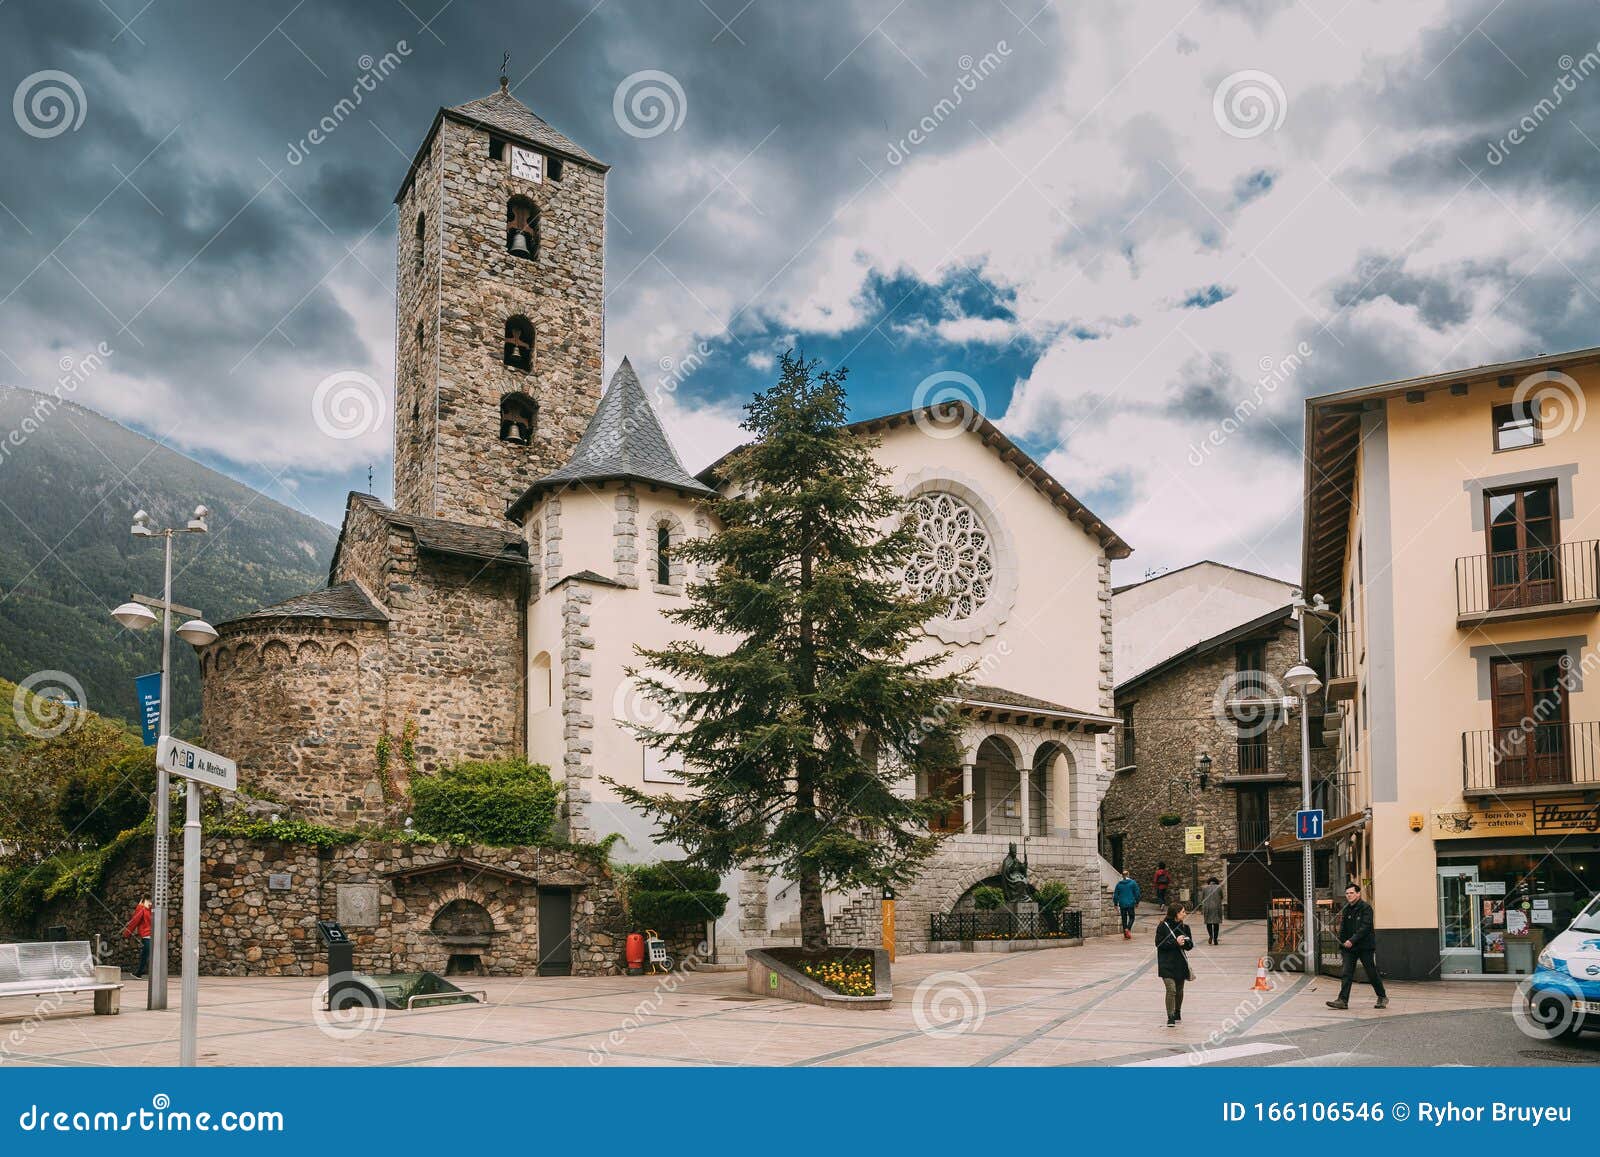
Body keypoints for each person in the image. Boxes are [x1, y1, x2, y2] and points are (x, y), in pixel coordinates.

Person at [1325, 882, 1388, 1010]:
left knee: (1371, 973)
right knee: (1346, 973)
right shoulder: (1347, 909)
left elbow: (1365, 927)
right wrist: (1343, 944)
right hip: (1350, 948)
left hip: (1365, 947)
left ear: (1358, 894)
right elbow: (1343, 928)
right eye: (1347, 893)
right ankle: (1342, 1001)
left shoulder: (1366, 908)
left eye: (1351, 893)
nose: (1349, 895)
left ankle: (1382, 996)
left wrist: (1352, 940)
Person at [1155, 902, 1194, 1027]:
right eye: (1183, 912)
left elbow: (1190, 946)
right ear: (1176, 914)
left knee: (1179, 990)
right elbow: (1159, 944)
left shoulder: (1185, 927)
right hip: (1166, 963)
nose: (1185, 914)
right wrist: (1176, 942)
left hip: (1180, 963)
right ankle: (1170, 1016)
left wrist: (1185, 943)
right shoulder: (1163, 926)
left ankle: (1177, 1012)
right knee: (1171, 990)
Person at [122, 897, 153, 980]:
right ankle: (139, 972)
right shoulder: (144, 909)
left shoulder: (149, 909)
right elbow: (135, 921)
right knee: (146, 954)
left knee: (146, 954)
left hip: (150, 935)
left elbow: (134, 921)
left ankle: (140, 972)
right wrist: (127, 933)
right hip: (147, 935)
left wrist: (126, 933)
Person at [1113, 870, 1141, 939]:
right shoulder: (1133, 883)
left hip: (1122, 904)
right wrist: (1137, 902)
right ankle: (1128, 929)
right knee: (1132, 917)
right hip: (1130, 903)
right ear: (1128, 875)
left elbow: (1116, 895)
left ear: (1122, 876)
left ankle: (1125, 934)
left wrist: (1115, 904)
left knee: (1124, 918)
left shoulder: (1119, 884)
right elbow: (1137, 894)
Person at [1198, 876, 1224, 945]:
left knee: (1208, 923)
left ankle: (1210, 936)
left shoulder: (1204, 888)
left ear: (1209, 882)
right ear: (1216, 881)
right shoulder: (1219, 887)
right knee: (1216, 924)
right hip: (1216, 908)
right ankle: (1215, 939)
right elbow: (1221, 897)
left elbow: (1202, 898)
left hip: (1207, 908)